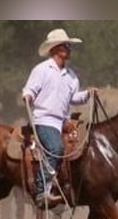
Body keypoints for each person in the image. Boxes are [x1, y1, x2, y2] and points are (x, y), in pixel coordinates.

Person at [22, 28, 97, 208]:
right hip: (44, 119)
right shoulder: (42, 70)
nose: (69, 48)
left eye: (69, 45)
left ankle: (63, 185)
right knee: (56, 148)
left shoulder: (71, 75)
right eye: (66, 45)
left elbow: (73, 98)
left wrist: (88, 94)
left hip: (62, 121)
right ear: (55, 48)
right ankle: (41, 190)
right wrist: (28, 96)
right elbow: (29, 90)